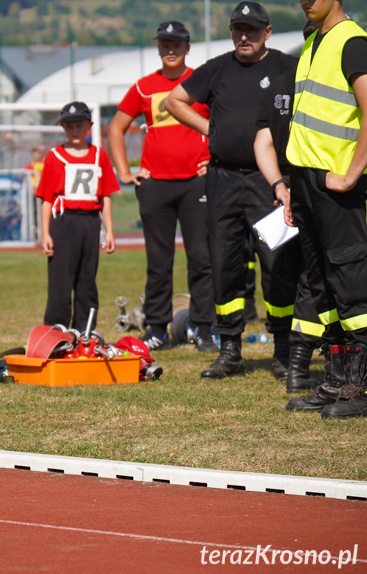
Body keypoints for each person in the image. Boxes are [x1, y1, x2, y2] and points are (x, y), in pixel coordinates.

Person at [165, 1, 300, 380]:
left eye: (252, 30)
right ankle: (230, 351)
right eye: (238, 29)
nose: (244, 36)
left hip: (269, 182)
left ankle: (284, 350)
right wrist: (212, 131)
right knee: (224, 265)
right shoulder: (218, 69)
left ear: (267, 33)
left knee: (278, 265)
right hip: (222, 180)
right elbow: (174, 100)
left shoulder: (286, 68)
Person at [108, 21, 216, 354]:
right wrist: (124, 173)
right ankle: (156, 328)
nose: (171, 49)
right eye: (165, 44)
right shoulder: (142, 87)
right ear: (158, 48)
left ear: (187, 47)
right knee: (159, 261)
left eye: (177, 44)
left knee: (201, 258)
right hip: (155, 185)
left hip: (196, 183)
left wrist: (213, 159)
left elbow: (225, 123)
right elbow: (115, 129)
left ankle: (203, 327)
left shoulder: (203, 80)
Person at [284, 0, 367, 419]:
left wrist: (352, 174)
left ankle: (363, 386)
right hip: (306, 182)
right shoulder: (314, 42)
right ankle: (338, 379)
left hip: (337, 183)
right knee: (322, 284)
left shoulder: (352, 41)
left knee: (351, 281)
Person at [253, 20, 323, 393]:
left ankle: (295, 362)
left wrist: (280, 185)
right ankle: (319, 361)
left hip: (292, 192)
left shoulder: (281, 83)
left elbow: (262, 142)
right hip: (325, 192)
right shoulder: (322, 85)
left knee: (299, 279)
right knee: (324, 279)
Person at [36, 101, 118, 331]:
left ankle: (85, 333)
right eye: (69, 125)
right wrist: (45, 233)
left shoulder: (99, 156)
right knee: (60, 283)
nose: (74, 130)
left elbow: (106, 197)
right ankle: (55, 334)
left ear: (89, 126)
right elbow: (46, 199)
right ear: (63, 127)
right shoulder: (54, 157)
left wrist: (109, 231)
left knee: (87, 282)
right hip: (63, 221)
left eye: (79, 125)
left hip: (90, 223)